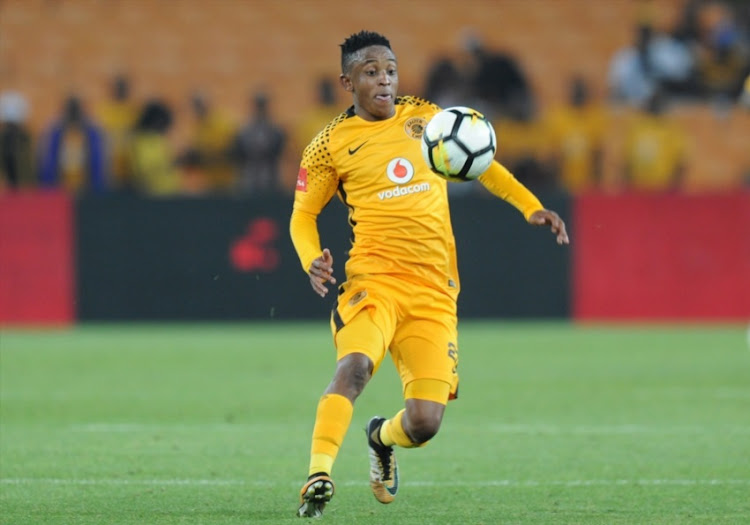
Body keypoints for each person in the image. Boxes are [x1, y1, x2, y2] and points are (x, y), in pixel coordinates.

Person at [289, 31, 569, 518]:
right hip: (373, 282)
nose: (385, 80)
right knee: (354, 368)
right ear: (346, 81)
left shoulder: (427, 117)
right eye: (372, 72)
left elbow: (483, 163)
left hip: (434, 291)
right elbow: (301, 215)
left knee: (424, 423)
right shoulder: (328, 144)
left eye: (391, 70)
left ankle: (380, 437)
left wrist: (531, 206)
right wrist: (310, 257)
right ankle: (318, 474)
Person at [38, 95, 107, 194]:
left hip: (86, 186)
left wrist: (96, 185)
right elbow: (50, 159)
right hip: (60, 186)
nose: (73, 113)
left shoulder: (91, 130)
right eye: (71, 109)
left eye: (75, 109)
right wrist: (49, 185)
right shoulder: (56, 130)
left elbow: (97, 158)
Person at [231, 91, 287, 195]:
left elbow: (278, 150)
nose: (261, 108)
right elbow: (239, 153)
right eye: (259, 105)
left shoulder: (275, 130)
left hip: (270, 177)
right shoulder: (245, 131)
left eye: (262, 105)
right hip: (249, 177)